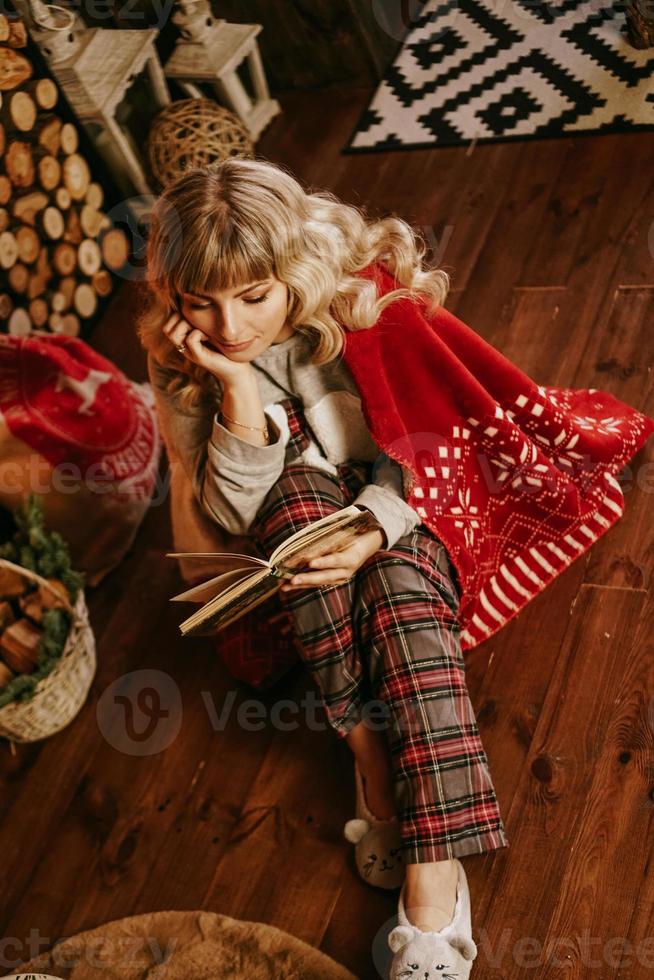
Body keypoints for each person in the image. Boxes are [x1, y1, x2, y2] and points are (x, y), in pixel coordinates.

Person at [135, 156, 518, 976]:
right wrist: (233, 384)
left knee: (395, 583)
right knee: (296, 522)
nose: (227, 323)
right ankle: (371, 755)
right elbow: (235, 514)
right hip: (292, 540)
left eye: (252, 296)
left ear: (294, 274)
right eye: (199, 301)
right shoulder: (190, 356)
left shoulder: (367, 304)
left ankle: (430, 866)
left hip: (414, 515)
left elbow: (437, 447)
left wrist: (379, 529)